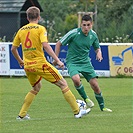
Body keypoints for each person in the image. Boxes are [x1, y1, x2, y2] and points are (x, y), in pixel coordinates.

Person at [11, 6, 91, 120]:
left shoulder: (21, 30)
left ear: (28, 17)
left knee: (36, 88)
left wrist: (20, 61)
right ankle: (77, 111)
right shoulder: (40, 29)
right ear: (39, 17)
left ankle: (22, 114)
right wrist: (57, 60)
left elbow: (13, 49)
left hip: (28, 66)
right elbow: (45, 45)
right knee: (63, 84)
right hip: (40, 64)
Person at [53, 14, 112, 112]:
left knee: (95, 86)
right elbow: (59, 43)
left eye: (88, 25)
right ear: (81, 24)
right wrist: (56, 59)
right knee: (76, 79)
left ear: (91, 24)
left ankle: (103, 107)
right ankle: (86, 99)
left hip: (85, 63)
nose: (86, 27)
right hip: (72, 62)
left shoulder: (93, 35)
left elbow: (97, 47)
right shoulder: (74, 33)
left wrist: (99, 53)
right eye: (84, 25)